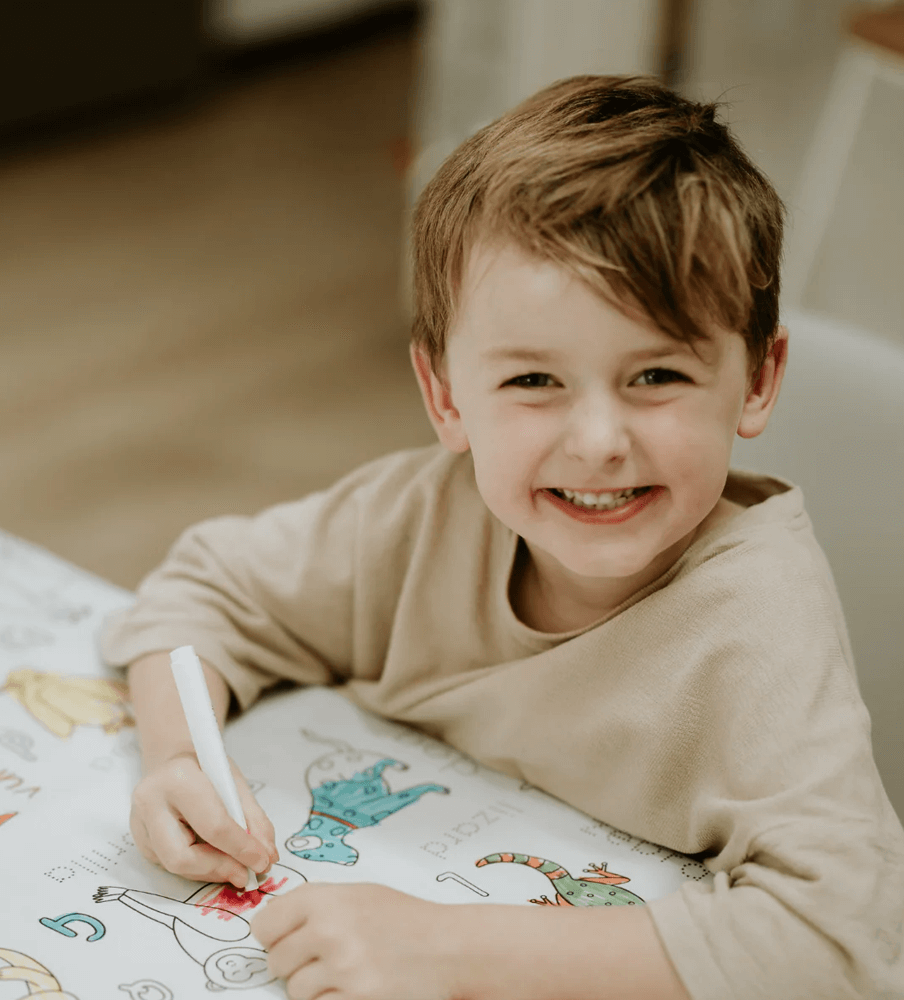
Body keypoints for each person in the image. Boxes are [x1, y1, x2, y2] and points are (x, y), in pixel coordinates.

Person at [100, 75, 904, 1000]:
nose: (599, 442)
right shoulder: (423, 516)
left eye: (657, 375)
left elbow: (844, 941)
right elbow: (206, 589)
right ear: (445, 395)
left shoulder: (760, 629)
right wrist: (176, 760)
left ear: (758, 380)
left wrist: (446, 952)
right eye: (533, 381)